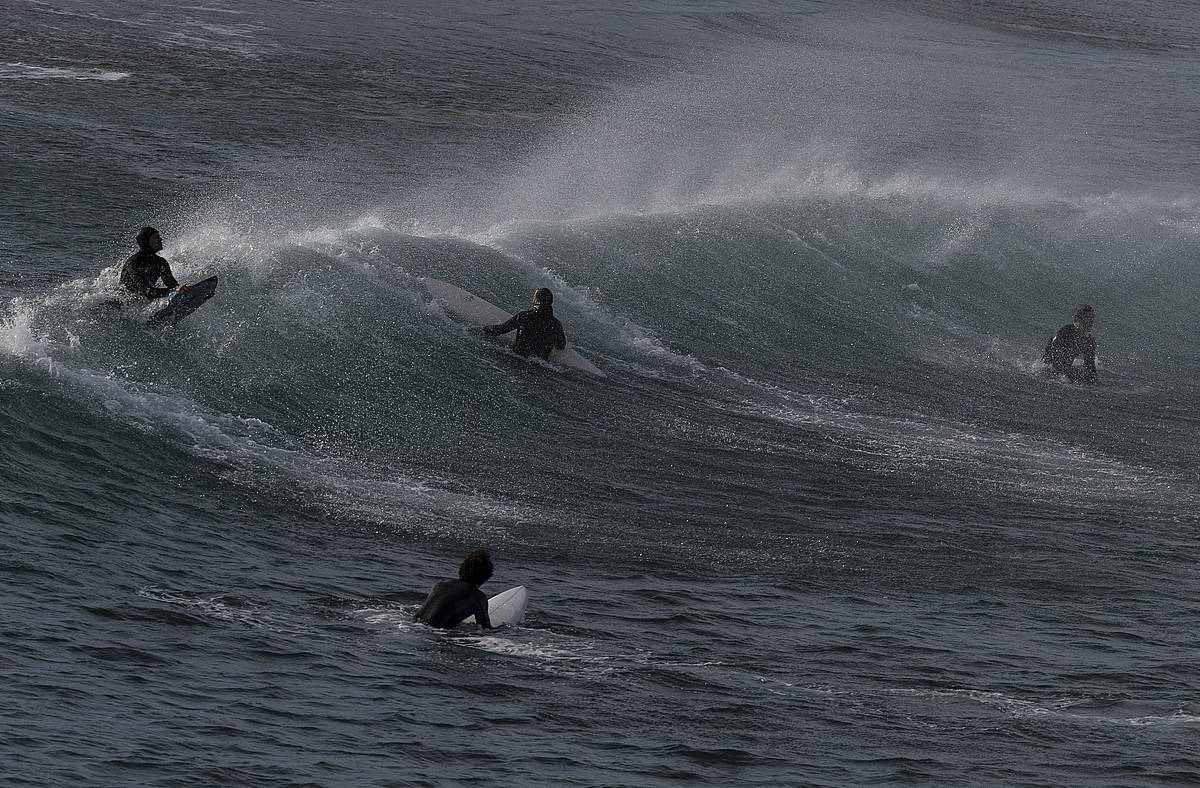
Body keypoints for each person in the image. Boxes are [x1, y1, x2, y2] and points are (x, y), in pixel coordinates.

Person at [413, 549, 501, 629]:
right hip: (434, 633)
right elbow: (485, 629)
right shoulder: (477, 597)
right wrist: (503, 628)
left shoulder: (441, 584)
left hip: (412, 624)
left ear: (461, 570)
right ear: (485, 578)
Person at [484, 287, 566, 360]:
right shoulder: (557, 325)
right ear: (550, 303)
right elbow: (561, 346)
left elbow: (499, 330)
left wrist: (484, 328)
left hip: (516, 358)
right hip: (540, 364)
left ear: (536, 301)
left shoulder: (524, 316)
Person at [119, 226, 189, 300]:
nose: (160, 239)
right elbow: (147, 292)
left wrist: (180, 289)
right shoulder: (133, 262)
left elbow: (172, 285)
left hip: (140, 299)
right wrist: (173, 290)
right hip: (122, 302)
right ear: (146, 242)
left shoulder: (161, 262)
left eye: (159, 237)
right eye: (156, 238)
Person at [1042, 304, 1097, 383]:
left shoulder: (1089, 342)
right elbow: (1053, 354)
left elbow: (1091, 368)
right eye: (1087, 318)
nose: (1091, 321)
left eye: (1092, 318)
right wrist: (1061, 374)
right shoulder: (1064, 332)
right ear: (1077, 318)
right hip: (1049, 365)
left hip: (1066, 367)